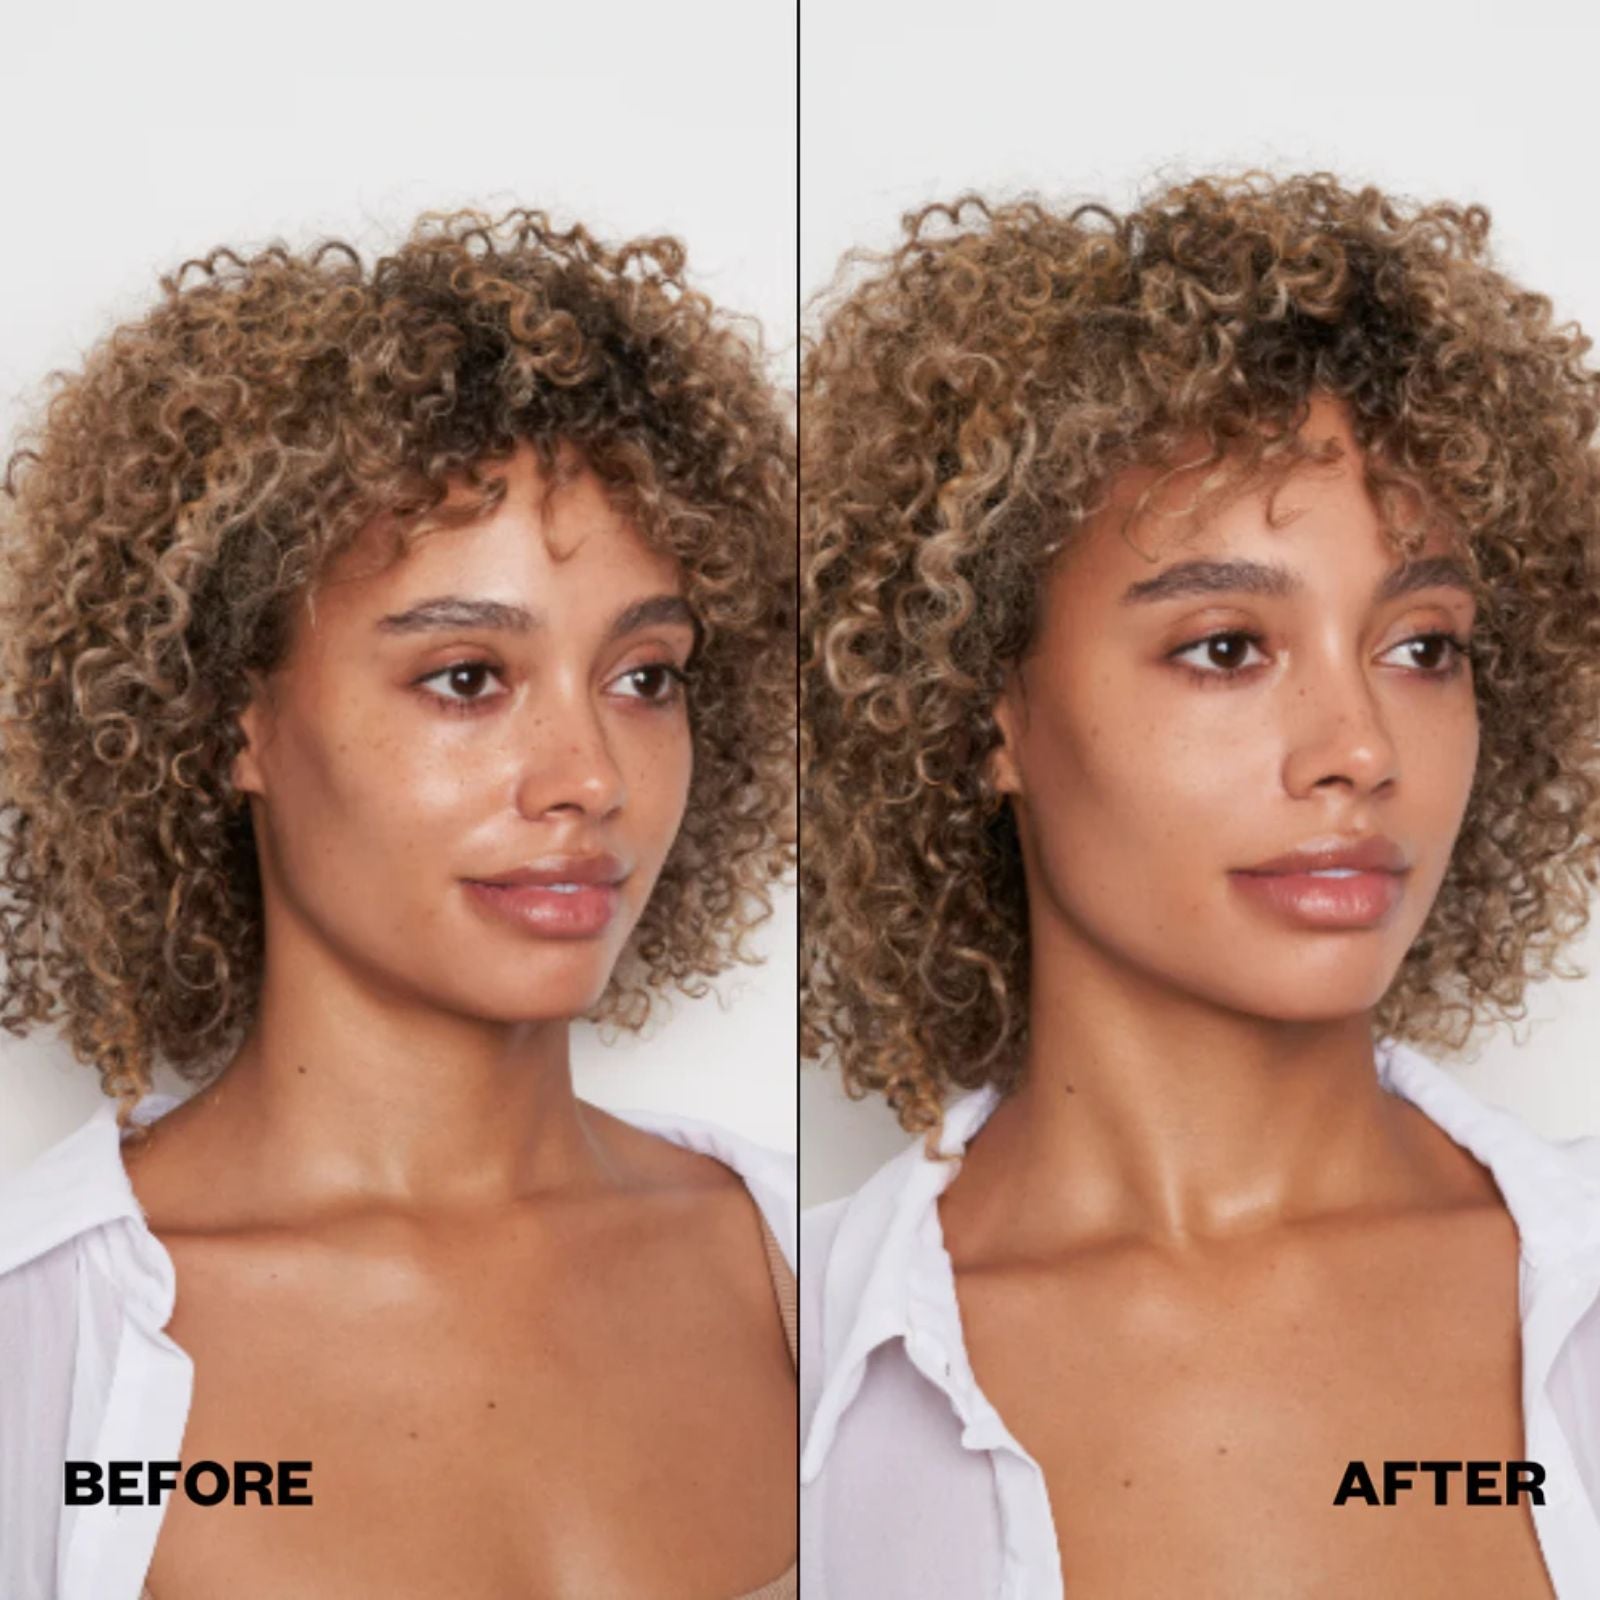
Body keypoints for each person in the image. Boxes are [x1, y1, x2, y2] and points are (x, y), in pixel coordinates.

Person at [799, 173, 1600, 1598]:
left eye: (1423, 646)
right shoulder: (788, 1368)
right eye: (1227, 647)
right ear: (986, 710)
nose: (1360, 749)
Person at [0, 207, 797, 1600]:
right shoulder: (42, 1345)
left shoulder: (819, 1276)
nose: (587, 780)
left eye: (646, 676)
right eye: (467, 679)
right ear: (231, 718)